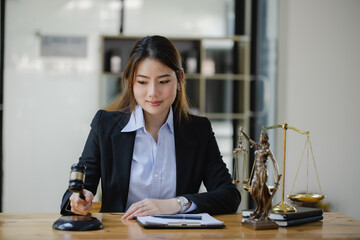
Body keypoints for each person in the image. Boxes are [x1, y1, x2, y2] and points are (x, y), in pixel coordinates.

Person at [60, 35, 241, 220]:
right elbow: (76, 192)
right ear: (130, 82)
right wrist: (79, 199)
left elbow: (229, 195)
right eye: (142, 82)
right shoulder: (105, 125)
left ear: (179, 80)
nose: (153, 93)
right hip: (120, 234)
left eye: (163, 82)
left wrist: (176, 204)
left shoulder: (198, 130)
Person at [239, 129, 281, 221]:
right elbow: (250, 140)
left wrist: (278, 174)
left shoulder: (267, 150)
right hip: (256, 172)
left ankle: (264, 211)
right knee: (253, 191)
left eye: (261, 137)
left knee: (262, 192)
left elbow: (274, 162)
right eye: (260, 137)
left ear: (265, 139)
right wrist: (243, 133)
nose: (260, 138)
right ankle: (259, 207)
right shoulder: (258, 147)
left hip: (262, 171)